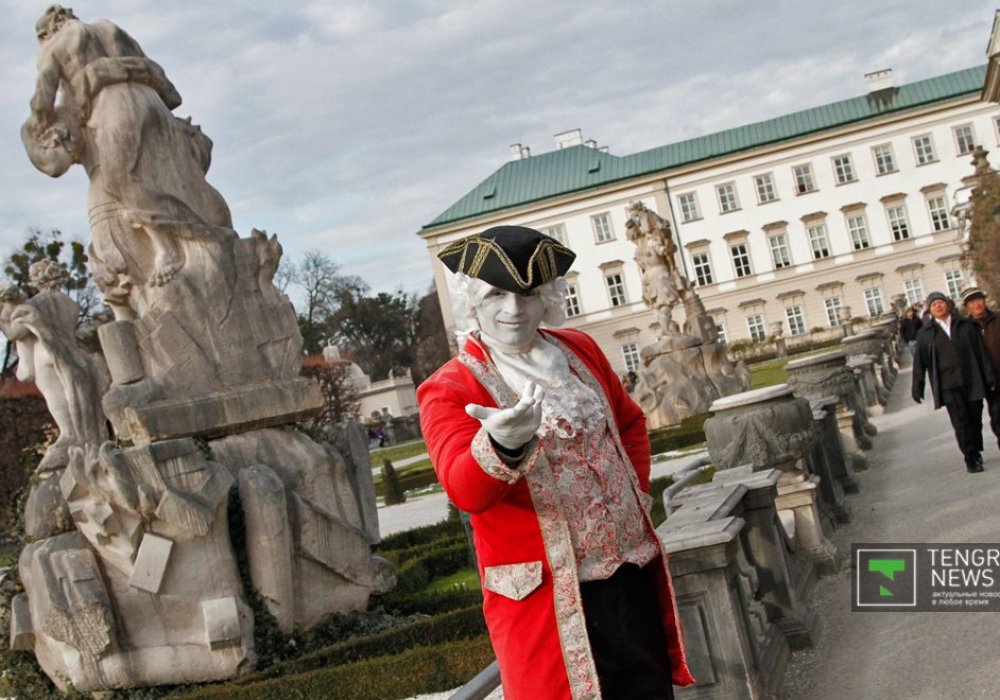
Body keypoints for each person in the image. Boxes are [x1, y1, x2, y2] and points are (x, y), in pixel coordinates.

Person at [417, 226, 693, 699]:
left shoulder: (579, 349)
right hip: (548, 601)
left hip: (630, 574)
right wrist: (501, 445)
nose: (513, 309)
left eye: (527, 294)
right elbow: (465, 490)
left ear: (547, 296)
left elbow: (629, 423)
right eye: (497, 295)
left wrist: (633, 495)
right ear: (473, 301)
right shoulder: (451, 388)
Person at [912, 291, 996, 473]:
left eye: (941, 302)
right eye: (934, 305)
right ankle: (971, 457)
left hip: (971, 379)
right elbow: (920, 361)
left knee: (974, 419)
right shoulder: (925, 334)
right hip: (948, 384)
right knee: (961, 421)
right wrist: (917, 385)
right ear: (930, 310)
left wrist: (989, 376)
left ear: (948, 304)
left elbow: (981, 352)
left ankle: (975, 449)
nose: (939, 306)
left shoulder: (965, 325)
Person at [962, 287, 1000, 450]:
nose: (976, 304)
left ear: (984, 301)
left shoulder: (998, 319)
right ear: (967, 307)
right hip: (985, 378)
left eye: (979, 300)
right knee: (997, 414)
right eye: (972, 302)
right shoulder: (965, 327)